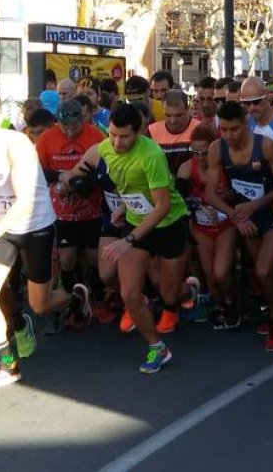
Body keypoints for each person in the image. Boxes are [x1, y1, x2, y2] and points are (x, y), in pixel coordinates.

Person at [0, 96, 81, 390]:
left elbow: (24, 204)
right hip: (3, 229)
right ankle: (8, 365)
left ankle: (77, 296)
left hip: (34, 225)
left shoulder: (17, 145)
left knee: (40, 305)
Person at [64, 103, 190, 372]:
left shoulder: (152, 154)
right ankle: (158, 348)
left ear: (139, 133)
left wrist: (128, 240)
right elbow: (126, 185)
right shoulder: (105, 149)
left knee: (170, 293)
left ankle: (192, 289)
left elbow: (162, 206)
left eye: (124, 136)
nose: (117, 142)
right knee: (129, 292)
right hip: (135, 222)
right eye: (112, 134)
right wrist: (123, 208)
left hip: (168, 224)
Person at [203, 101, 273, 350]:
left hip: (271, 212)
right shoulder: (216, 149)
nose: (229, 135)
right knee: (260, 270)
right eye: (224, 130)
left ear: (246, 125)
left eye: (234, 129)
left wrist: (254, 206)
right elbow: (210, 194)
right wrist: (235, 215)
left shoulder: (266, 146)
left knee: (265, 269)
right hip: (245, 216)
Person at [36, 100, 102, 331]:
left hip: (91, 204)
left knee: (94, 256)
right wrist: (60, 175)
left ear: (82, 121)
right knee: (67, 258)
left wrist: (80, 182)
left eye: (75, 127)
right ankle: (74, 302)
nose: (70, 132)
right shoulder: (47, 139)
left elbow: (105, 168)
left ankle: (95, 296)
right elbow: (39, 171)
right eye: (65, 128)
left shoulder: (96, 136)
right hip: (61, 207)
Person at [176, 123, 236, 329]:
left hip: (225, 224)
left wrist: (227, 195)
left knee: (221, 272)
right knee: (209, 273)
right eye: (195, 152)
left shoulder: (222, 167)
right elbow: (179, 197)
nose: (200, 158)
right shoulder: (186, 168)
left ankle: (230, 302)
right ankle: (220, 306)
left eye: (204, 152)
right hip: (201, 227)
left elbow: (238, 192)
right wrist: (194, 204)